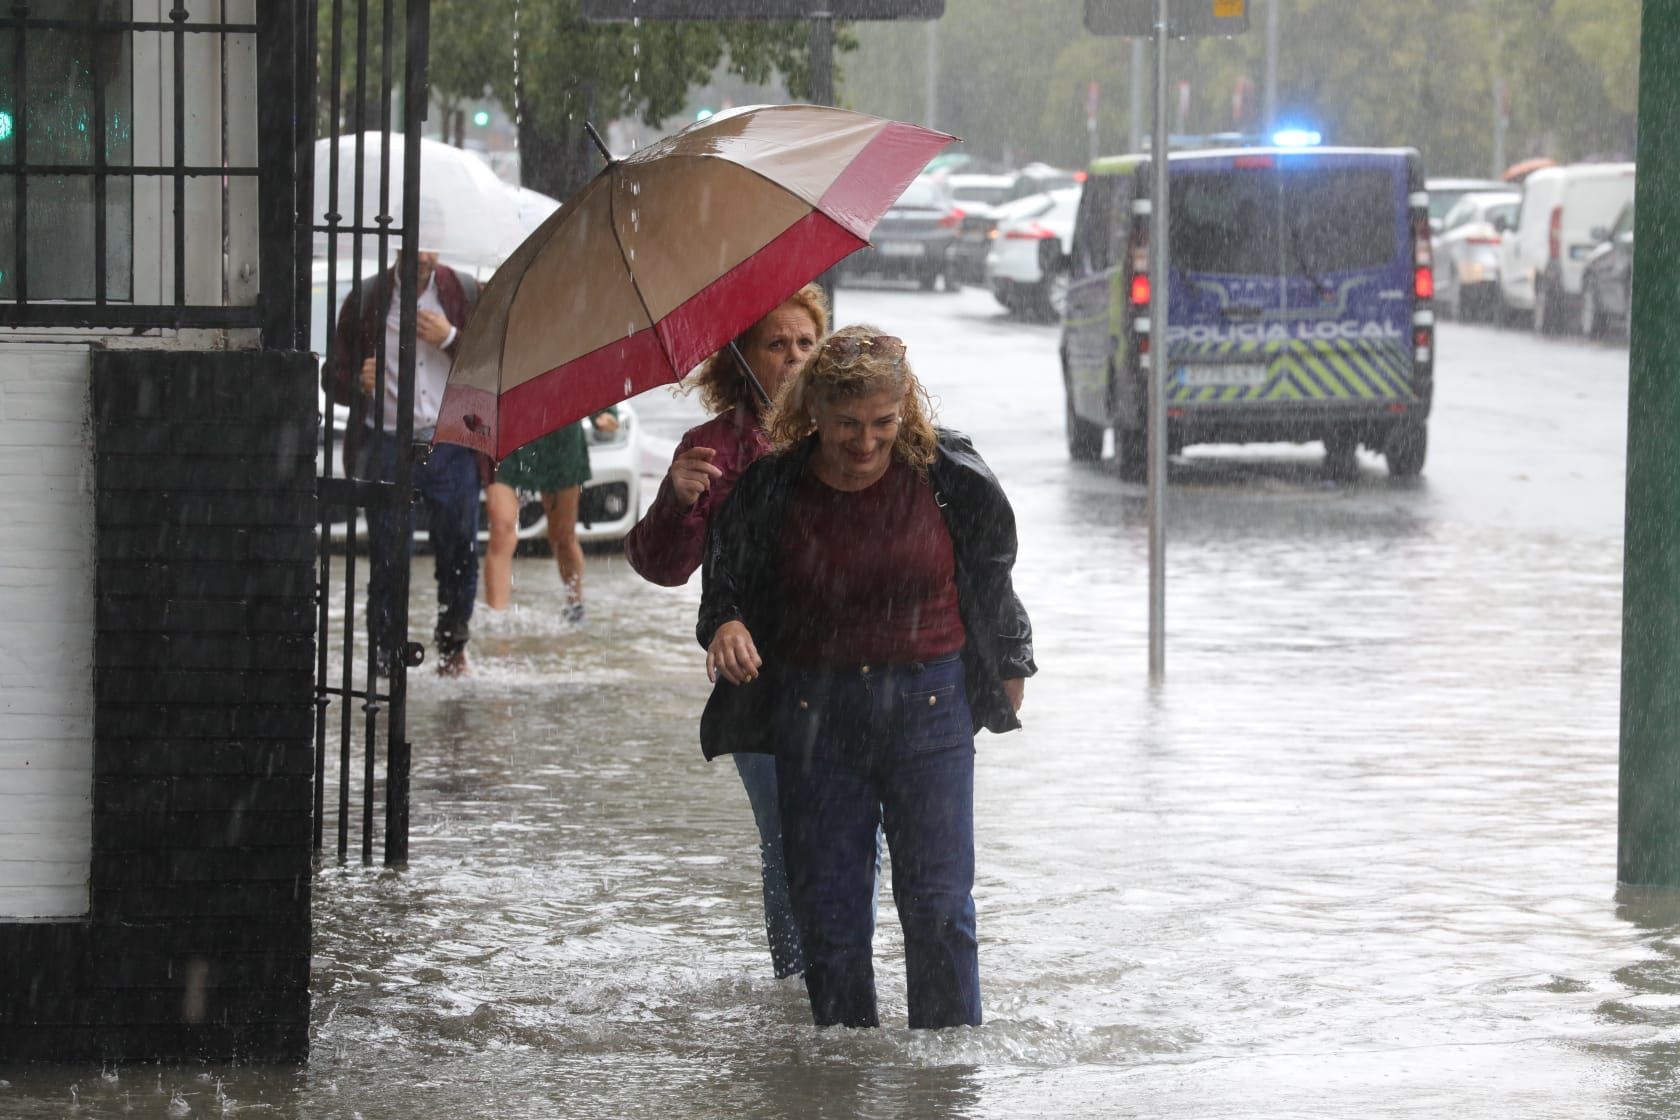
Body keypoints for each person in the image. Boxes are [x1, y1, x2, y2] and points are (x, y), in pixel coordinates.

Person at [697, 325, 1035, 1030]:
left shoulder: (951, 475)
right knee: (831, 916)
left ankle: (942, 1082)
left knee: (940, 908)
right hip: (813, 709)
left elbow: (994, 576)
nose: (865, 442)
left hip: (931, 705)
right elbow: (724, 575)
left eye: (883, 423)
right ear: (811, 410)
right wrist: (725, 624)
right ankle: (838, 1075)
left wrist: (1012, 659)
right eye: (847, 424)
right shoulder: (773, 486)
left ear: (905, 411)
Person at [624, 285, 828, 980]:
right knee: (788, 839)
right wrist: (675, 501)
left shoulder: (853, 430)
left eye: (807, 343)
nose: (795, 358)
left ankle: (843, 971)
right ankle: (801, 995)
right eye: (777, 344)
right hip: (758, 682)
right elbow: (665, 567)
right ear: (742, 357)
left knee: (861, 838)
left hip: (847, 671)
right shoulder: (712, 450)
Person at [325, 249, 481, 678]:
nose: (423, 256)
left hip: (449, 443)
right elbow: (333, 373)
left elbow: (494, 364)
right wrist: (356, 380)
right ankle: (385, 655)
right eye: (415, 247)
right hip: (387, 444)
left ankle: (453, 648)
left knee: (459, 551)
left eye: (431, 247)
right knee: (389, 555)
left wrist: (451, 338)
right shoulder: (368, 297)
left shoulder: (463, 293)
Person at [483, 408, 619, 622]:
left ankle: (575, 604)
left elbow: (589, 380)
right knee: (500, 530)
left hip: (560, 442)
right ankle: (495, 618)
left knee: (563, 536)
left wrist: (606, 415)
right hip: (507, 439)